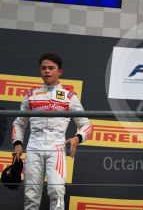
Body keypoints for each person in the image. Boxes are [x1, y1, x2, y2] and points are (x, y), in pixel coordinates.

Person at [12, 53, 92, 210]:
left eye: (51, 68)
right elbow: (19, 123)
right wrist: (18, 143)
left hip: (56, 148)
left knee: (57, 192)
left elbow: (86, 124)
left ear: (59, 72)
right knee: (31, 195)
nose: (46, 71)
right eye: (43, 68)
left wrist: (78, 137)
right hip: (34, 146)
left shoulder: (69, 96)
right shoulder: (31, 95)